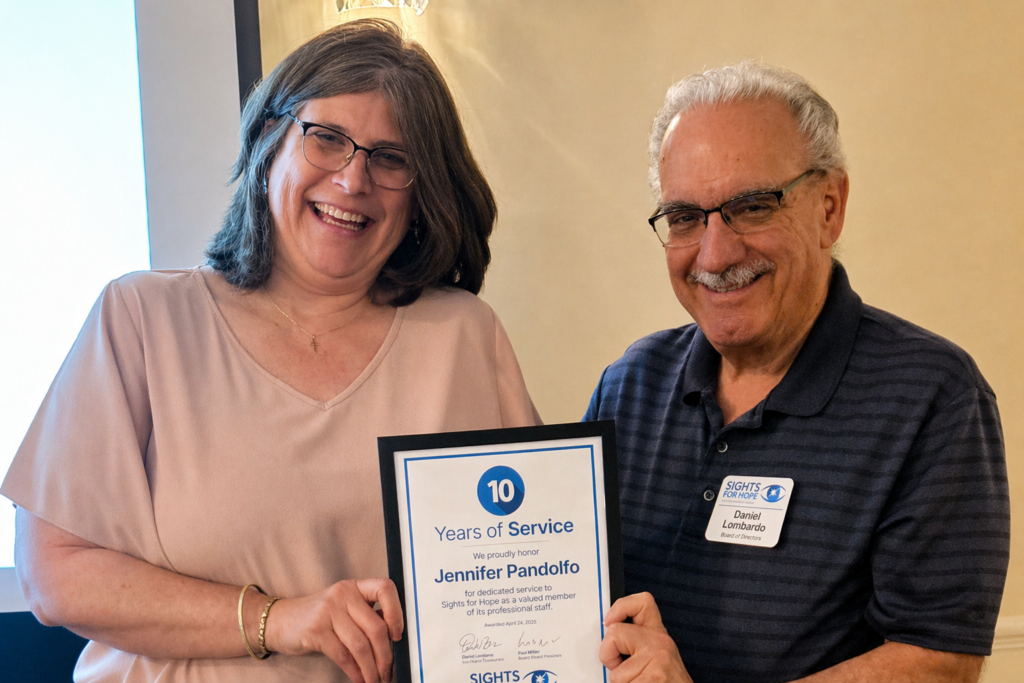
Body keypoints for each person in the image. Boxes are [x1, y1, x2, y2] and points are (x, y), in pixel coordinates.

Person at [2, 19, 539, 683]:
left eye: (391, 157)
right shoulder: (139, 320)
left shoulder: (464, 338)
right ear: (268, 143)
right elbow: (56, 574)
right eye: (327, 139)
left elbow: (530, 572)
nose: (353, 179)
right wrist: (278, 617)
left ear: (420, 192)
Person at [587, 62, 1009, 683]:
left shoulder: (934, 397)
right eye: (683, 217)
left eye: (752, 206)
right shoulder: (629, 385)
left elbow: (939, 661)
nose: (715, 252)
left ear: (830, 208)